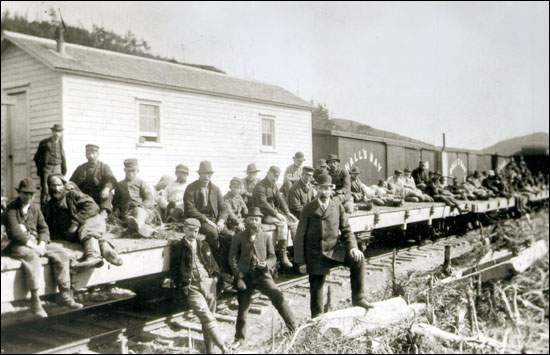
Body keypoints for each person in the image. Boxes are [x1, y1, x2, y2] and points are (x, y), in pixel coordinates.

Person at [294, 174, 372, 318]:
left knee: (358, 260)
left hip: (333, 251)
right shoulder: (308, 209)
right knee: (316, 286)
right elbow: (299, 237)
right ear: (316, 189)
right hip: (315, 254)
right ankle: (317, 318)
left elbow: (347, 230)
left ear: (331, 190)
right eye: (321, 188)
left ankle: (359, 298)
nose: (324, 192)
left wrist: (353, 247)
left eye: (327, 189)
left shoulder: (337, 206)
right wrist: (301, 261)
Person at [5, 178, 82, 317]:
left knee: (62, 253)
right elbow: (16, 234)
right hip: (18, 245)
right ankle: (35, 301)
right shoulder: (11, 209)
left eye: (31, 194)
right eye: (25, 193)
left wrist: (41, 243)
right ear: (19, 193)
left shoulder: (35, 208)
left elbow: (44, 229)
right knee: (32, 257)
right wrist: (35, 248)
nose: (28, 197)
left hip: (35, 243)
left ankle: (64, 294)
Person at [229, 208, 296, 349]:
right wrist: (238, 277)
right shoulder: (239, 237)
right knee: (243, 308)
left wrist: (267, 264)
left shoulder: (265, 237)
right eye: (251, 219)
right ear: (247, 221)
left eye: (257, 219)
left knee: (278, 296)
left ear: (260, 221)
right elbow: (232, 258)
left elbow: (272, 256)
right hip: (245, 277)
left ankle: (293, 328)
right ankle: (239, 338)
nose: (254, 222)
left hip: (262, 275)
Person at [170, 218, 229, 353]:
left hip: (209, 285)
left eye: (196, 231)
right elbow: (174, 269)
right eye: (190, 230)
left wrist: (214, 278)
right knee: (207, 317)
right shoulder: (178, 247)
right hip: (192, 287)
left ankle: (210, 351)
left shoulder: (204, 245)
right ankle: (224, 348)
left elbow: (213, 263)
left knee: (208, 320)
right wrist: (182, 284)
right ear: (184, 229)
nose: (193, 233)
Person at [44, 175, 122, 269]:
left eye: (59, 185)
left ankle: (93, 256)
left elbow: (92, 207)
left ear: (64, 185)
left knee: (86, 229)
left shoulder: (73, 194)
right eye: (53, 185)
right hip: (76, 233)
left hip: (91, 221)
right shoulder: (49, 206)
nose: (56, 189)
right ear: (49, 187)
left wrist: (75, 222)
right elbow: (48, 225)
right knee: (86, 236)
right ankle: (106, 249)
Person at [184, 161, 228, 277]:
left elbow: (224, 208)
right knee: (212, 234)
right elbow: (190, 209)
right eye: (204, 174)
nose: (206, 177)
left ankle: (227, 268)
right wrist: (206, 220)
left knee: (230, 236)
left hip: (215, 221)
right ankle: (214, 267)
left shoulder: (215, 189)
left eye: (209, 174)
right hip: (200, 220)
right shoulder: (191, 188)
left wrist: (221, 221)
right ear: (199, 174)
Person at [253, 166, 298, 269]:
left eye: (277, 177)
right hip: (263, 215)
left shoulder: (273, 186)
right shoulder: (260, 187)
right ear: (268, 173)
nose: (275, 178)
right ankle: (283, 254)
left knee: (295, 222)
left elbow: (280, 199)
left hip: (273, 213)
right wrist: (276, 214)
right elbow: (263, 204)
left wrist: (287, 213)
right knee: (283, 223)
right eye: (274, 176)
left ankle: (297, 253)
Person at [113, 159, 159, 238]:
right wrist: (116, 209)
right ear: (125, 171)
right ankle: (138, 228)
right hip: (126, 212)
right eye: (128, 171)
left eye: (133, 171)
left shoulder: (141, 183)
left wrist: (142, 206)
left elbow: (149, 199)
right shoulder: (119, 185)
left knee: (138, 212)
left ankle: (139, 227)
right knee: (128, 218)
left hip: (141, 209)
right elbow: (116, 202)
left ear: (137, 171)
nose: (131, 174)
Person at [69, 144, 117, 214]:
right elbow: (72, 181)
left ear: (98, 154)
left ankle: (103, 213)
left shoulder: (104, 167)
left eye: (93, 153)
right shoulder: (81, 168)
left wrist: (107, 188)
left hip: (99, 196)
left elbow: (111, 179)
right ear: (85, 155)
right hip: (84, 197)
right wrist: (70, 185)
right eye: (88, 153)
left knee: (109, 194)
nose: (91, 156)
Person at [33, 124, 67, 205]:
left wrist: (63, 171)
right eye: (55, 131)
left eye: (59, 132)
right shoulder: (44, 143)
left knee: (58, 188)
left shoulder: (60, 143)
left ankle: (57, 209)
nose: (57, 134)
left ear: (61, 133)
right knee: (46, 190)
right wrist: (41, 169)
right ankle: (44, 211)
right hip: (47, 169)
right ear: (52, 132)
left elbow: (63, 158)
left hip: (58, 168)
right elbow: (36, 157)